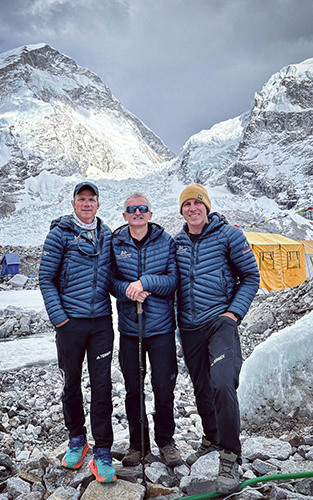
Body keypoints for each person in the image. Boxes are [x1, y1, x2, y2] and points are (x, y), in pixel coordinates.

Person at [175, 184, 260, 493]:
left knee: (223, 383)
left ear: (206, 207)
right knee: (201, 387)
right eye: (187, 204)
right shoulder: (177, 242)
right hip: (188, 327)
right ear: (182, 210)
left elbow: (251, 276)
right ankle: (210, 437)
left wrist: (233, 314)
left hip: (220, 322)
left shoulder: (229, 235)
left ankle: (229, 454)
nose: (193, 208)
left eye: (198, 203)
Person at [39, 181, 116, 483]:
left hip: (101, 324)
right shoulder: (59, 234)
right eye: (81, 199)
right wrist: (61, 320)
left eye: (92, 199)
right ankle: (76, 439)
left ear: (98, 204)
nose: (86, 204)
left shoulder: (107, 234)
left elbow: (113, 276)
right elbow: (46, 279)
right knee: (71, 382)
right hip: (70, 323)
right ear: (73, 203)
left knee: (102, 386)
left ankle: (104, 450)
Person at [111, 193, 182, 468]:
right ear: (125, 215)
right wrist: (128, 291)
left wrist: (144, 282)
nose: (138, 213)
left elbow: (173, 281)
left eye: (143, 209)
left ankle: (165, 441)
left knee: (164, 388)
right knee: (133, 389)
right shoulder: (116, 243)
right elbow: (111, 281)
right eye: (132, 209)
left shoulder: (166, 241)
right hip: (131, 330)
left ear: (150, 214)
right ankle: (137, 445)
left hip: (161, 329)